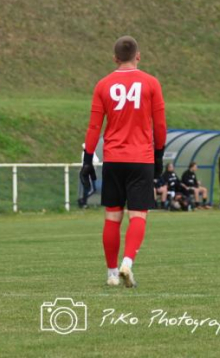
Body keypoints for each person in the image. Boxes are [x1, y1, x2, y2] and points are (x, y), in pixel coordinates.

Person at [81, 36, 166, 288]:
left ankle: (110, 273)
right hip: (141, 159)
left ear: (115, 58)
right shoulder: (151, 83)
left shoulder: (103, 85)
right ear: (138, 56)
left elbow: (95, 126)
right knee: (138, 215)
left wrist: (87, 160)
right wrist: (159, 155)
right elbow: (160, 125)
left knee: (112, 217)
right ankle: (127, 262)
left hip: (114, 159)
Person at [78, 143, 100, 208]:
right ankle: (83, 201)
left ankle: (83, 202)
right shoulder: (89, 153)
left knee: (88, 188)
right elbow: (96, 161)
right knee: (91, 189)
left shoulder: (84, 153)